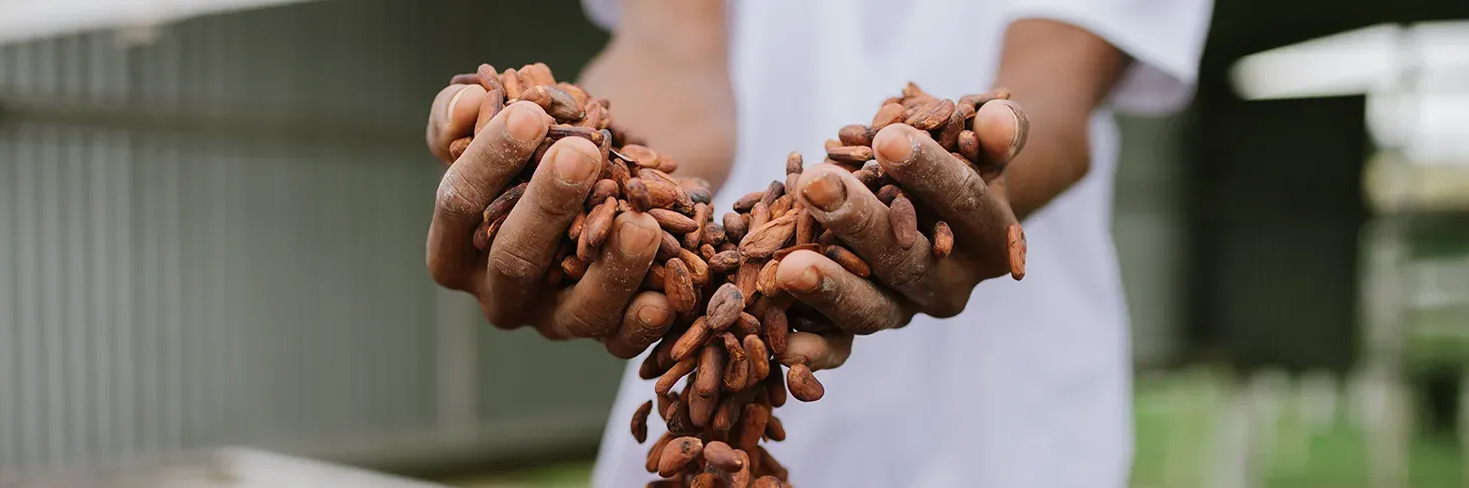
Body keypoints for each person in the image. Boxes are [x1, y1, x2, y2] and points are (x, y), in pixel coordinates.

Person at [423, 0, 1212, 485]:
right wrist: (598, 162)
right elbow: (671, 52)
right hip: (707, 409)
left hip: (1005, 436)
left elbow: (1048, 94)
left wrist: (977, 167)